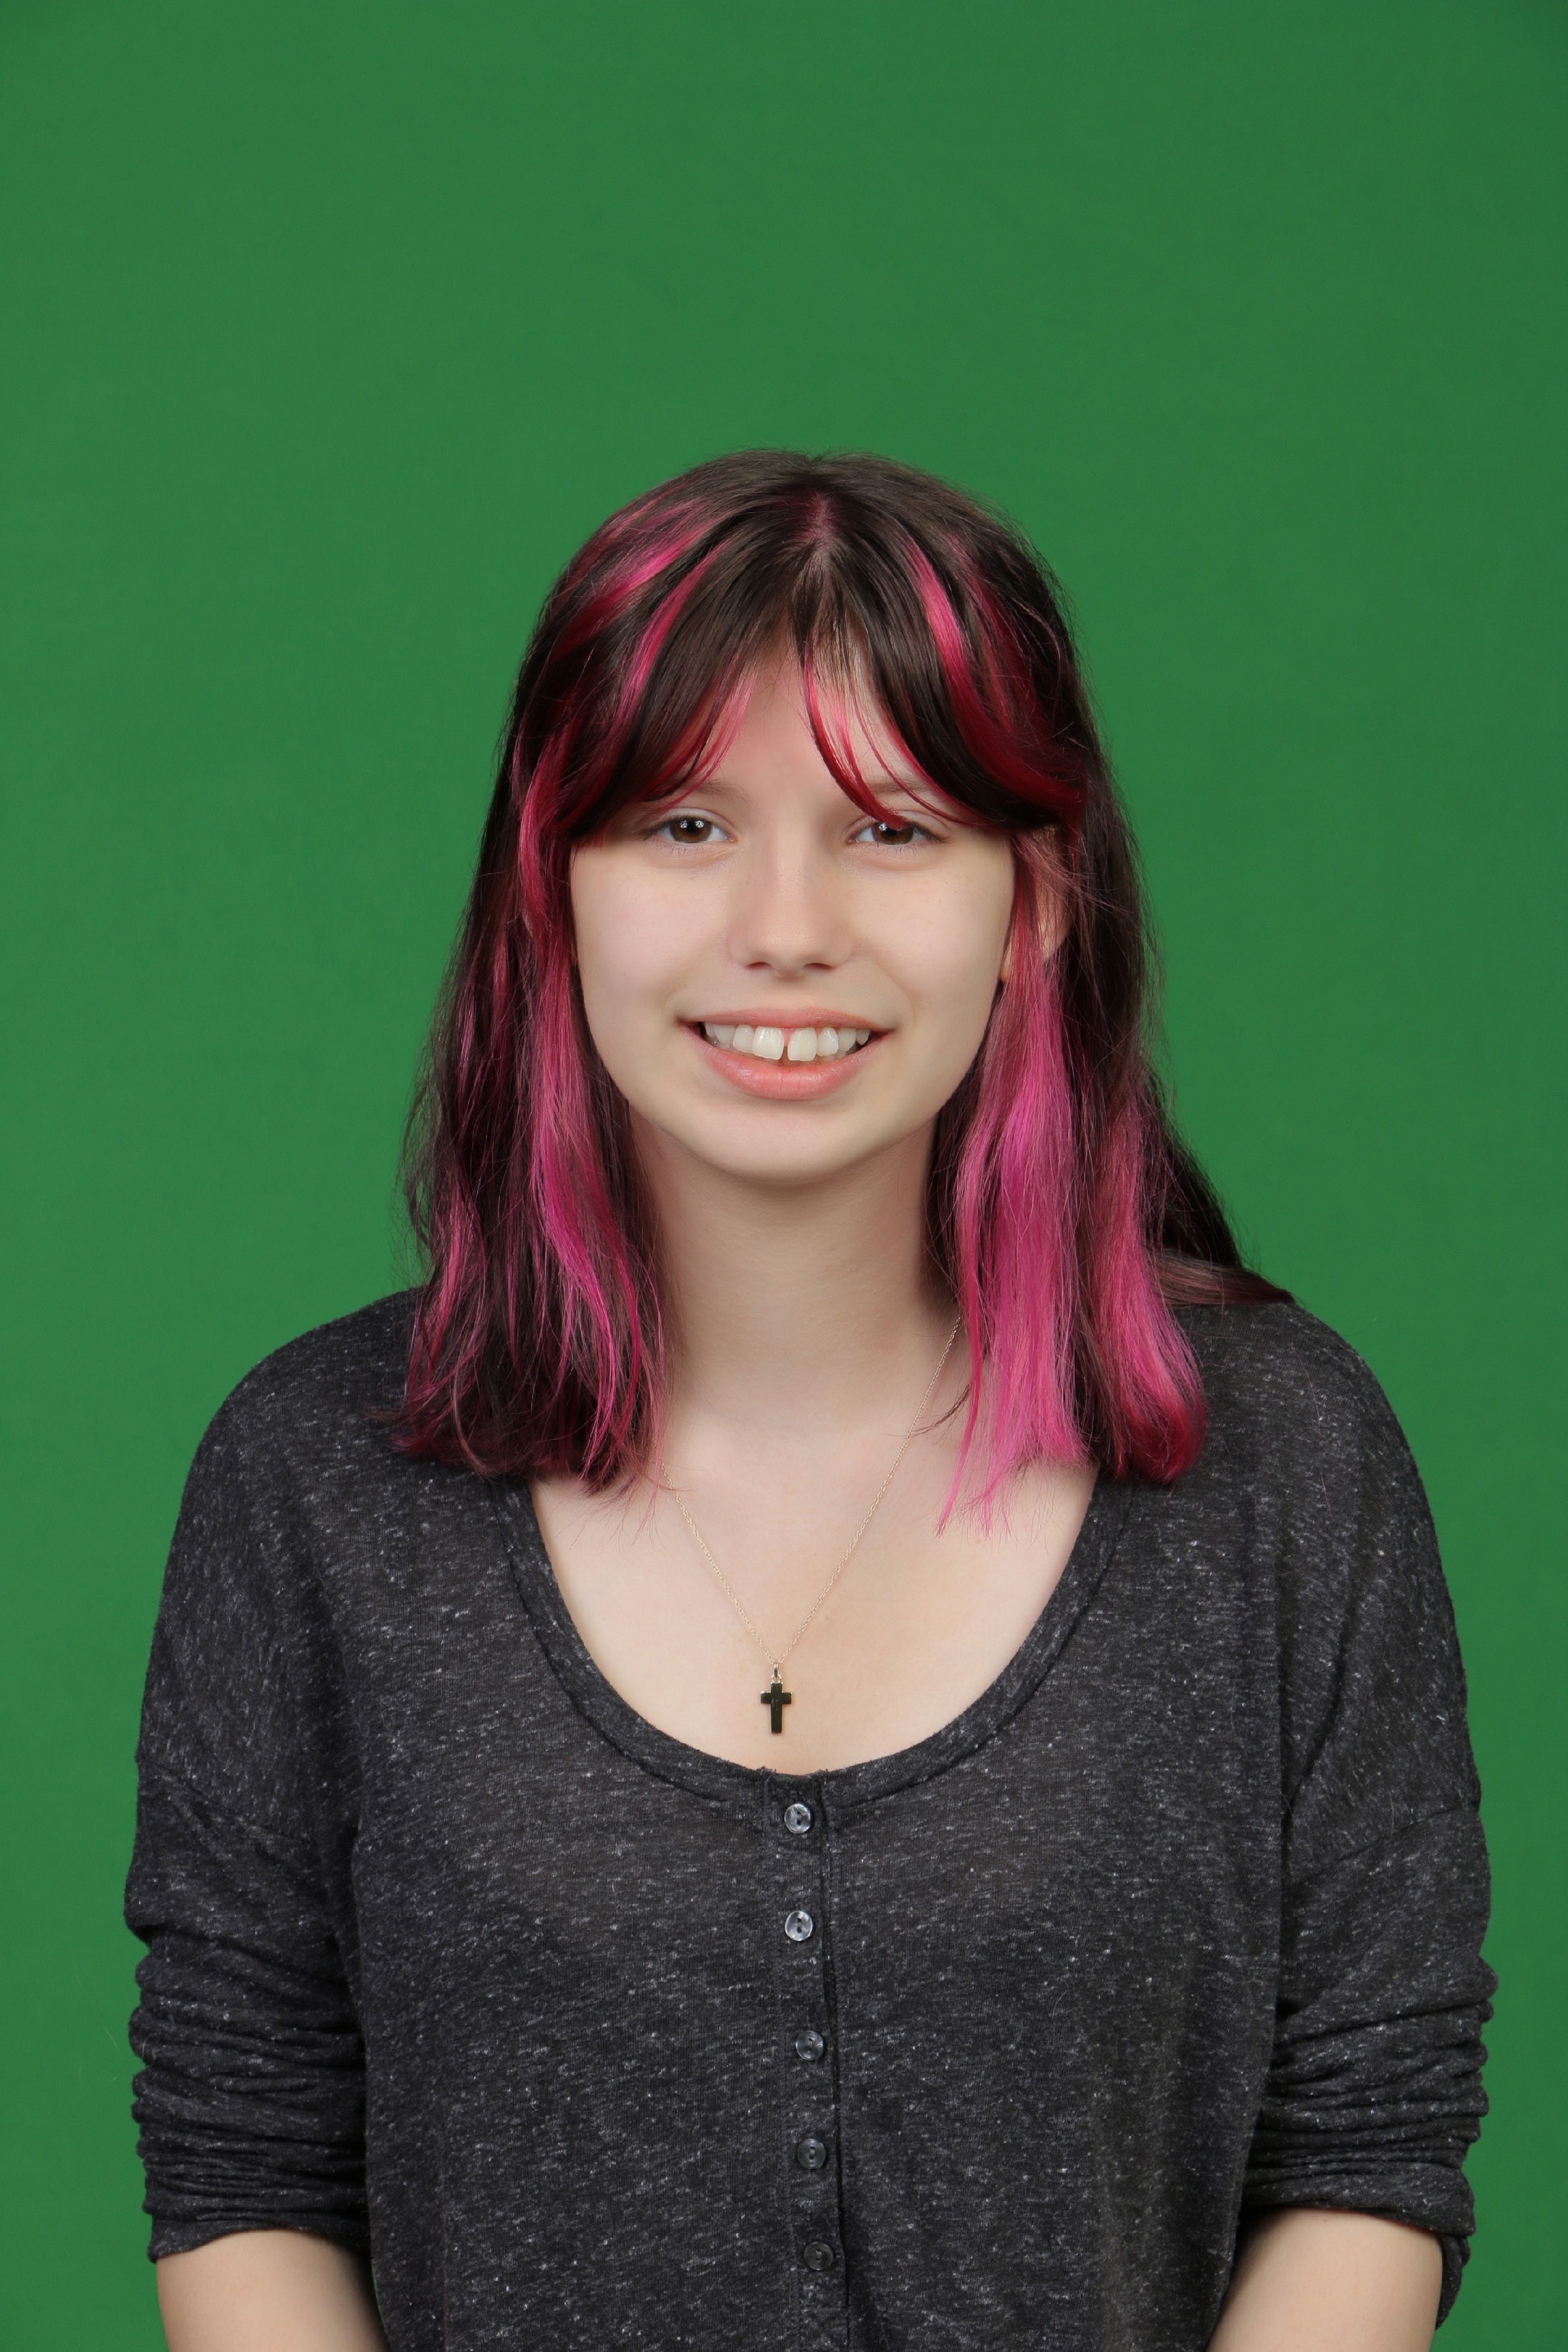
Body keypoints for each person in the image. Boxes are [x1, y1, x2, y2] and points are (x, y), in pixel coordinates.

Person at [128, 451, 1492, 2352]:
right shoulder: (311, 1480)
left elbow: (1367, 2134)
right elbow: (245, 2163)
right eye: (684, 823)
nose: (787, 925)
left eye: (892, 828)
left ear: (1033, 902)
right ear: (553, 893)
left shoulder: (1285, 1461)